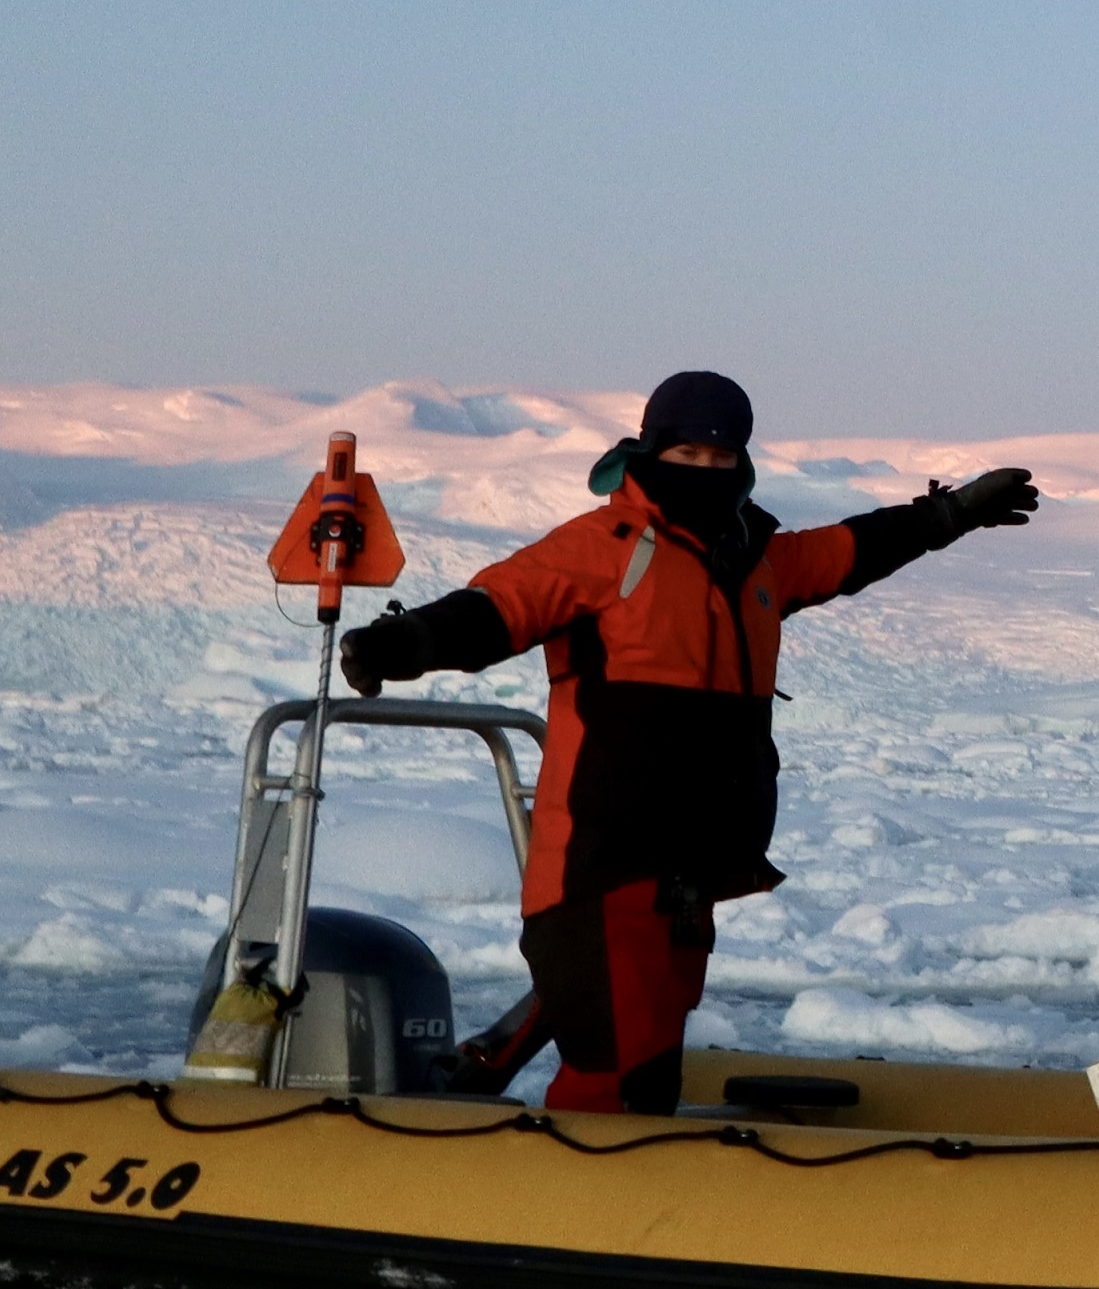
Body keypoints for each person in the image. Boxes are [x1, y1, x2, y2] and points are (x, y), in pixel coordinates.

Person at [336, 371, 1041, 1114]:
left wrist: (953, 514)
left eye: (720, 458)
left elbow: (852, 550)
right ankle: (562, 1213)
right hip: (603, 870)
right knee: (618, 1086)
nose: (704, 471)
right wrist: (401, 641)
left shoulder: (758, 562)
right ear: (648, 450)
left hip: (689, 877)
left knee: (646, 1073)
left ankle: (513, 1101)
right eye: (686, 454)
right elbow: (496, 608)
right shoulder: (605, 547)